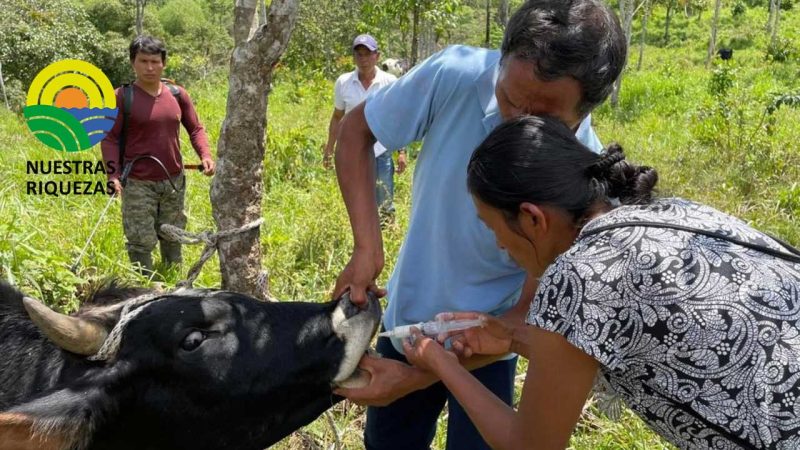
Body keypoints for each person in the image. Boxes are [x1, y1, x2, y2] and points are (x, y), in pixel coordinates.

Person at [403, 115, 800, 449]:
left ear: (532, 218)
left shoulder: (578, 275)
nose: (501, 246)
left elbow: (529, 446)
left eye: (492, 228)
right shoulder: (667, 211)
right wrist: (510, 339)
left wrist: (439, 362)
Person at [331, 1, 627, 449]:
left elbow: (531, 320)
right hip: (406, 322)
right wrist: (366, 249)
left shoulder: (583, 179)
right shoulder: (455, 74)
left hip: (490, 346)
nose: (515, 123)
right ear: (502, 59)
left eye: (542, 120)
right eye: (509, 100)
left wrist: (418, 375)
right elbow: (356, 132)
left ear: (584, 112)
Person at [101, 36, 215, 275]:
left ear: (164, 63)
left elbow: (195, 128)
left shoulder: (177, 94)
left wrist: (205, 154)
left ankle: (174, 283)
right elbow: (109, 138)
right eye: (143, 61)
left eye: (155, 61)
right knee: (140, 240)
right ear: (133, 63)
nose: (149, 67)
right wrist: (113, 175)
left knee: (173, 234)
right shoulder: (122, 96)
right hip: (137, 182)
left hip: (173, 180)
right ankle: (145, 289)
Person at [323, 34, 407, 224]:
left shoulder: (389, 82)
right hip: (353, 151)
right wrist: (329, 147)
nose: (363, 59)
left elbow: (398, 118)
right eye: (359, 54)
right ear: (354, 57)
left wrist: (402, 151)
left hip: (381, 150)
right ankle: (363, 235)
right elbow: (338, 116)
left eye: (368, 54)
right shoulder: (344, 82)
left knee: (384, 197)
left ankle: (386, 234)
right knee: (357, 198)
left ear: (377, 56)